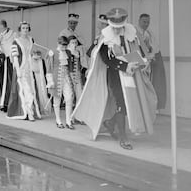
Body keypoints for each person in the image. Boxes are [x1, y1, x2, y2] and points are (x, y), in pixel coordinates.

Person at [73, 8, 157, 150]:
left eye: (120, 27)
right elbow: (107, 59)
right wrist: (125, 66)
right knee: (121, 102)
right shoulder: (104, 37)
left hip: (133, 73)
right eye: (115, 27)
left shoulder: (131, 32)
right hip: (115, 73)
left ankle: (111, 123)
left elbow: (138, 49)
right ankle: (123, 137)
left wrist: (143, 61)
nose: (118, 30)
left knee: (131, 101)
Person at [7, 21, 41, 121]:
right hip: (21, 68)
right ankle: (29, 113)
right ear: (20, 30)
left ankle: (30, 110)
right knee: (26, 91)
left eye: (27, 28)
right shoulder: (16, 41)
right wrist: (18, 70)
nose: (25, 30)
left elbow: (33, 52)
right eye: (23, 28)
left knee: (31, 90)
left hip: (30, 69)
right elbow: (15, 57)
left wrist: (36, 56)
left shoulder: (31, 39)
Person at [136, 13, 167, 111]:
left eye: (148, 22)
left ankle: (150, 109)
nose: (146, 24)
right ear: (139, 21)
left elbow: (154, 49)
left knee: (150, 88)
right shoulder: (135, 33)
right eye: (144, 22)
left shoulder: (149, 34)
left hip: (149, 66)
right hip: (139, 65)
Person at [46, 36, 75, 129]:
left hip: (66, 77)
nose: (64, 47)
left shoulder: (68, 52)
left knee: (69, 97)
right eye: (62, 45)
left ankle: (68, 120)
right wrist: (50, 80)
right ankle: (58, 120)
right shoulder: (52, 52)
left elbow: (70, 66)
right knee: (57, 99)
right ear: (58, 44)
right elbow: (49, 68)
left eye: (66, 46)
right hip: (56, 78)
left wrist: (73, 78)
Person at [59, 13, 88, 80]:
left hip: (78, 55)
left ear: (77, 24)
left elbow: (83, 43)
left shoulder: (78, 32)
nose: (72, 25)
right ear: (68, 23)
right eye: (71, 23)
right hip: (68, 55)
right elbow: (61, 45)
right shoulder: (63, 32)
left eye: (74, 23)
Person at [31, 50, 50, 116]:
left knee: (42, 93)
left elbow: (44, 70)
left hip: (40, 79)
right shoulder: (30, 60)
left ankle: (42, 108)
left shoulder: (42, 61)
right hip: (34, 78)